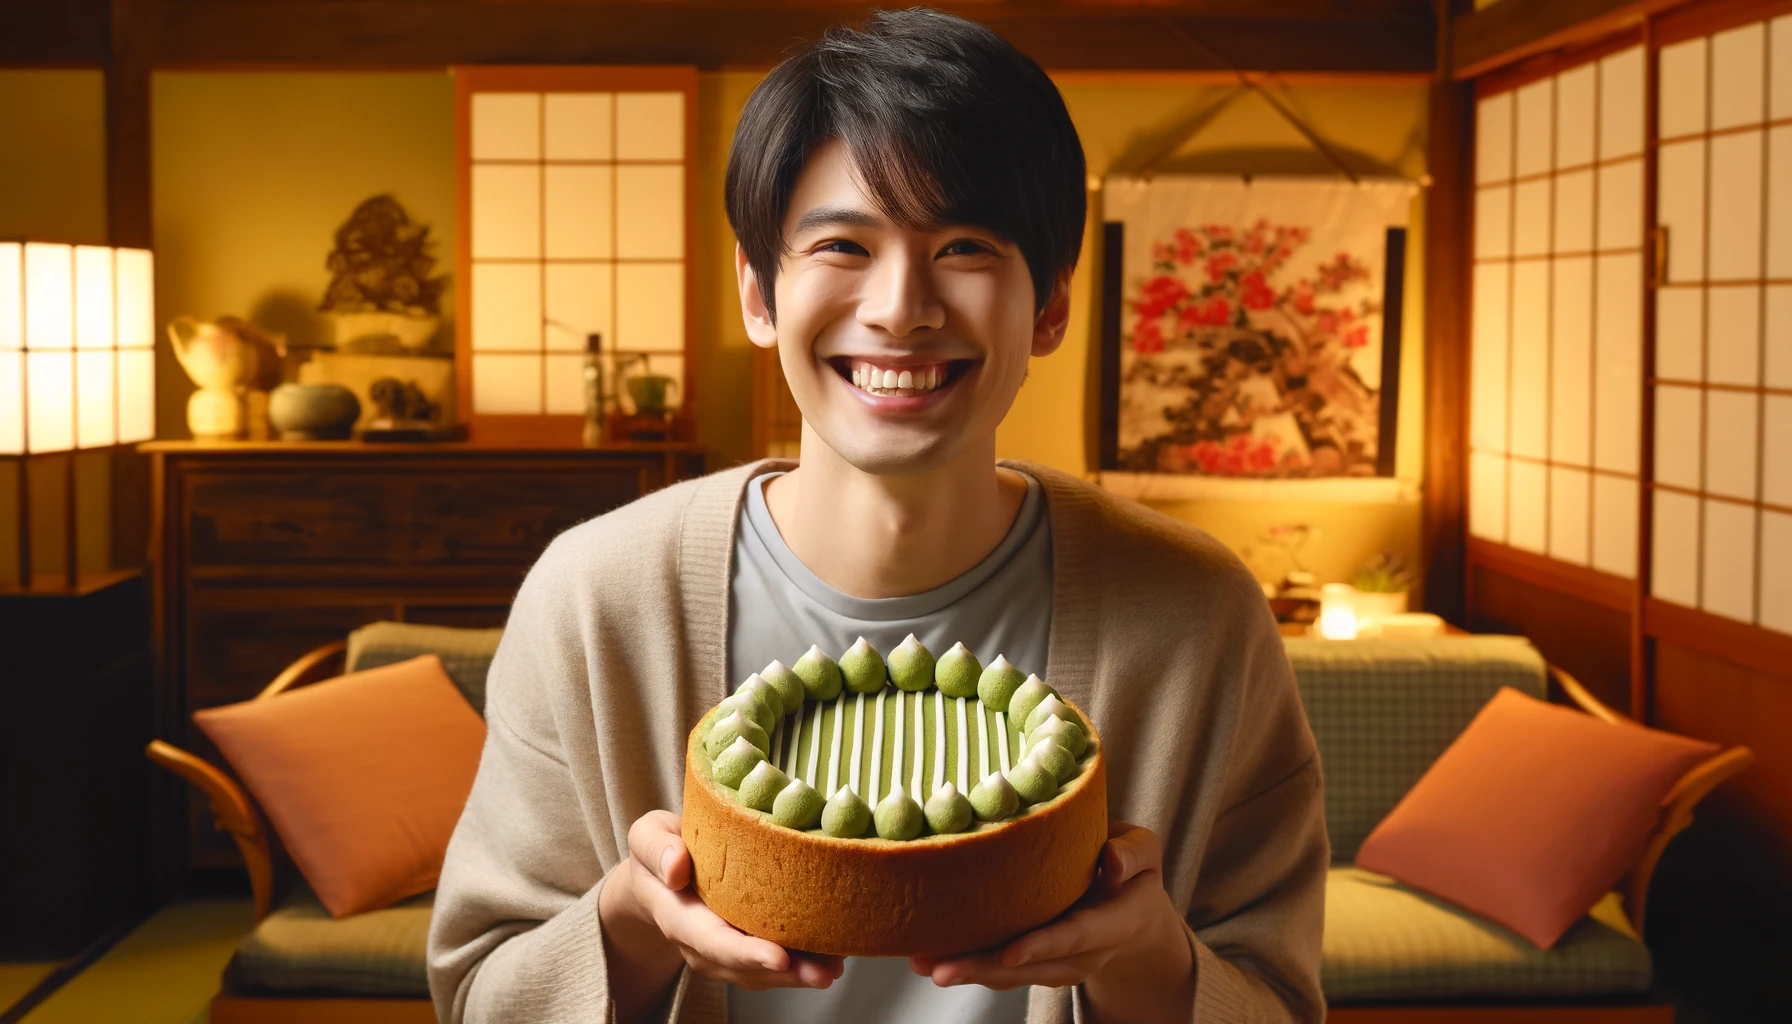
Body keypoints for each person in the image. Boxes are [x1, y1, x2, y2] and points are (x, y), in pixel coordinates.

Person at [427, 9, 1325, 1023]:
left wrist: (1141, 952)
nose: (901, 307)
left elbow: (1280, 1002)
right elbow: (479, 994)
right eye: (844, 245)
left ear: (1050, 305)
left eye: (967, 246)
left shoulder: (1198, 614)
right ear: (758, 292)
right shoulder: (596, 599)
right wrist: (635, 921)